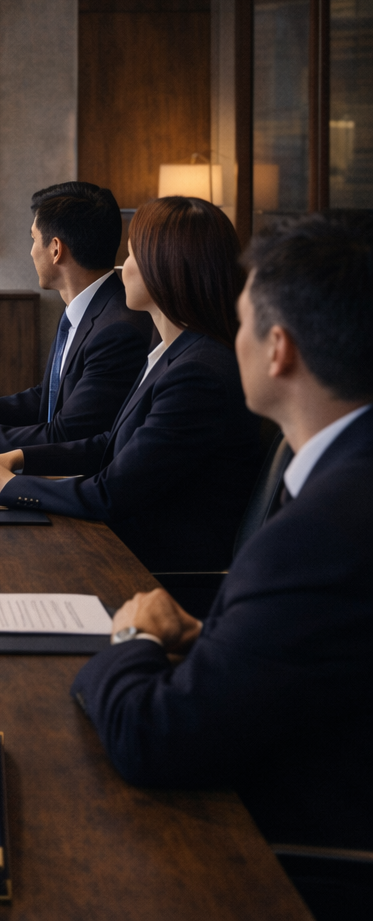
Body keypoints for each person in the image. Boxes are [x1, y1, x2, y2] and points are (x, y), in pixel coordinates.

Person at [70, 212, 373, 920]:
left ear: (279, 349)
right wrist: (213, 636)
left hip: (282, 855)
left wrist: (133, 638)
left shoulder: (324, 530)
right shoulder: (343, 479)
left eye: (242, 322)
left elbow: (153, 738)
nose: (228, 339)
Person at [0, 196, 262, 573]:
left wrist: (7, 486)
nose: (121, 267)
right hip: (124, 544)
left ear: (164, 268)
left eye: (130, 255)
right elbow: (110, 446)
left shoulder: (198, 375)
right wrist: (18, 459)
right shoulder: (175, 352)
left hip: (152, 571)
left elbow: (110, 493)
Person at [0, 182, 153, 452]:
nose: (31, 251)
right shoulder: (87, 308)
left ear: (55, 249)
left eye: (33, 239)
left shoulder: (118, 330)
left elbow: (64, 435)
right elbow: (49, 396)